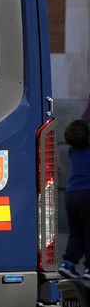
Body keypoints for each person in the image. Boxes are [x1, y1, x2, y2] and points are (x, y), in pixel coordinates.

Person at [60, 118, 90, 281]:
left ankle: (68, 263)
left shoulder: (73, 151)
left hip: (71, 195)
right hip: (87, 193)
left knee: (76, 233)